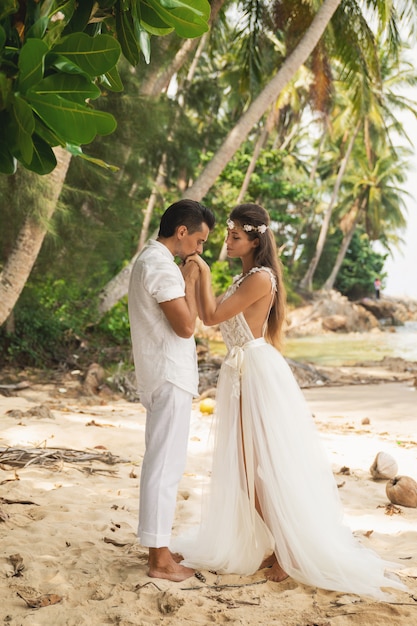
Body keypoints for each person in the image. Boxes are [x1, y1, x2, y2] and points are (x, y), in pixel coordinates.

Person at [173, 203, 406, 599]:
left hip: (256, 373)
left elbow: (211, 318)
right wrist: (189, 274)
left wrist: (205, 272)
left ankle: (288, 548)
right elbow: (199, 314)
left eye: (234, 236)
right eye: (227, 235)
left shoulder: (260, 279)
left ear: (254, 240)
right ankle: (280, 543)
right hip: (239, 373)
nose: (227, 242)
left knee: (261, 467)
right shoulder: (245, 276)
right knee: (246, 470)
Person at [128, 199, 215, 582]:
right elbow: (185, 327)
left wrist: (187, 277)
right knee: (164, 467)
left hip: (163, 373)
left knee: (164, 464)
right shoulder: (161, 266)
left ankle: (158, 547)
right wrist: (192, 278)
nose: (199, 250)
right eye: (199, 241)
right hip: (168, 374)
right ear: (182, 232)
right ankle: (158, 560)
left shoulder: (154, 261)